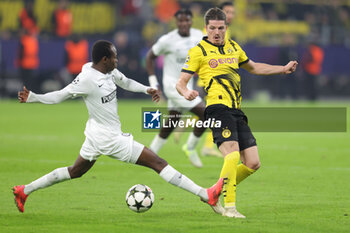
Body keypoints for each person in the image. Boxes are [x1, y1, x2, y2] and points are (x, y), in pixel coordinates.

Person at [12, 40, 223, 215]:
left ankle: (24, 190)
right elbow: (60, 95)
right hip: (109, 139)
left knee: (75, 171)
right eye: (114, 57)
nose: (117, 60)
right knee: (158, 162)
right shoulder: (87, 78)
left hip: (96, 133)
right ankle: (206, 195)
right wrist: (33, 97)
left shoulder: (109, 71)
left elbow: (125, 81)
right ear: (104, 60)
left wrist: (146, 89)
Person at [176, 8, 298, 218]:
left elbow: (254, 67)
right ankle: (229, 207)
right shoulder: (199, 51)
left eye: (220, 28)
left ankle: (214, 191)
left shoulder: (233, 47)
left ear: (226, 28)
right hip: (216, 109)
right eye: (212, 28)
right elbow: (181, 82)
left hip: (236, 111)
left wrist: (282, 68)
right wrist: (186, 92)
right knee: (231, 156)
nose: (216, 32)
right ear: (206, 28)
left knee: (252, 163)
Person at [146, 9, 205, 168]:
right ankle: (191, 147)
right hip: (173, 86)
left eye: (187, 20)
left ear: (191, 21)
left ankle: (150, 152)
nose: (184, 24)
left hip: (189, 85)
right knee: (207, 114)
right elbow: (149, 57)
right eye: (180, 21)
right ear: (176, 22)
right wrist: (153, 81)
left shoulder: (199, 35)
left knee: (173, 120)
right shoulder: (168, 40)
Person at [200, 1, 236, 157]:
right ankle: (206, 146)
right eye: (228, 12)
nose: (231, 15)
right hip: (211, 81)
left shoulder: (227, 31)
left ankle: (207, 145)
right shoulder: (210, 31)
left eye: (233, 12)